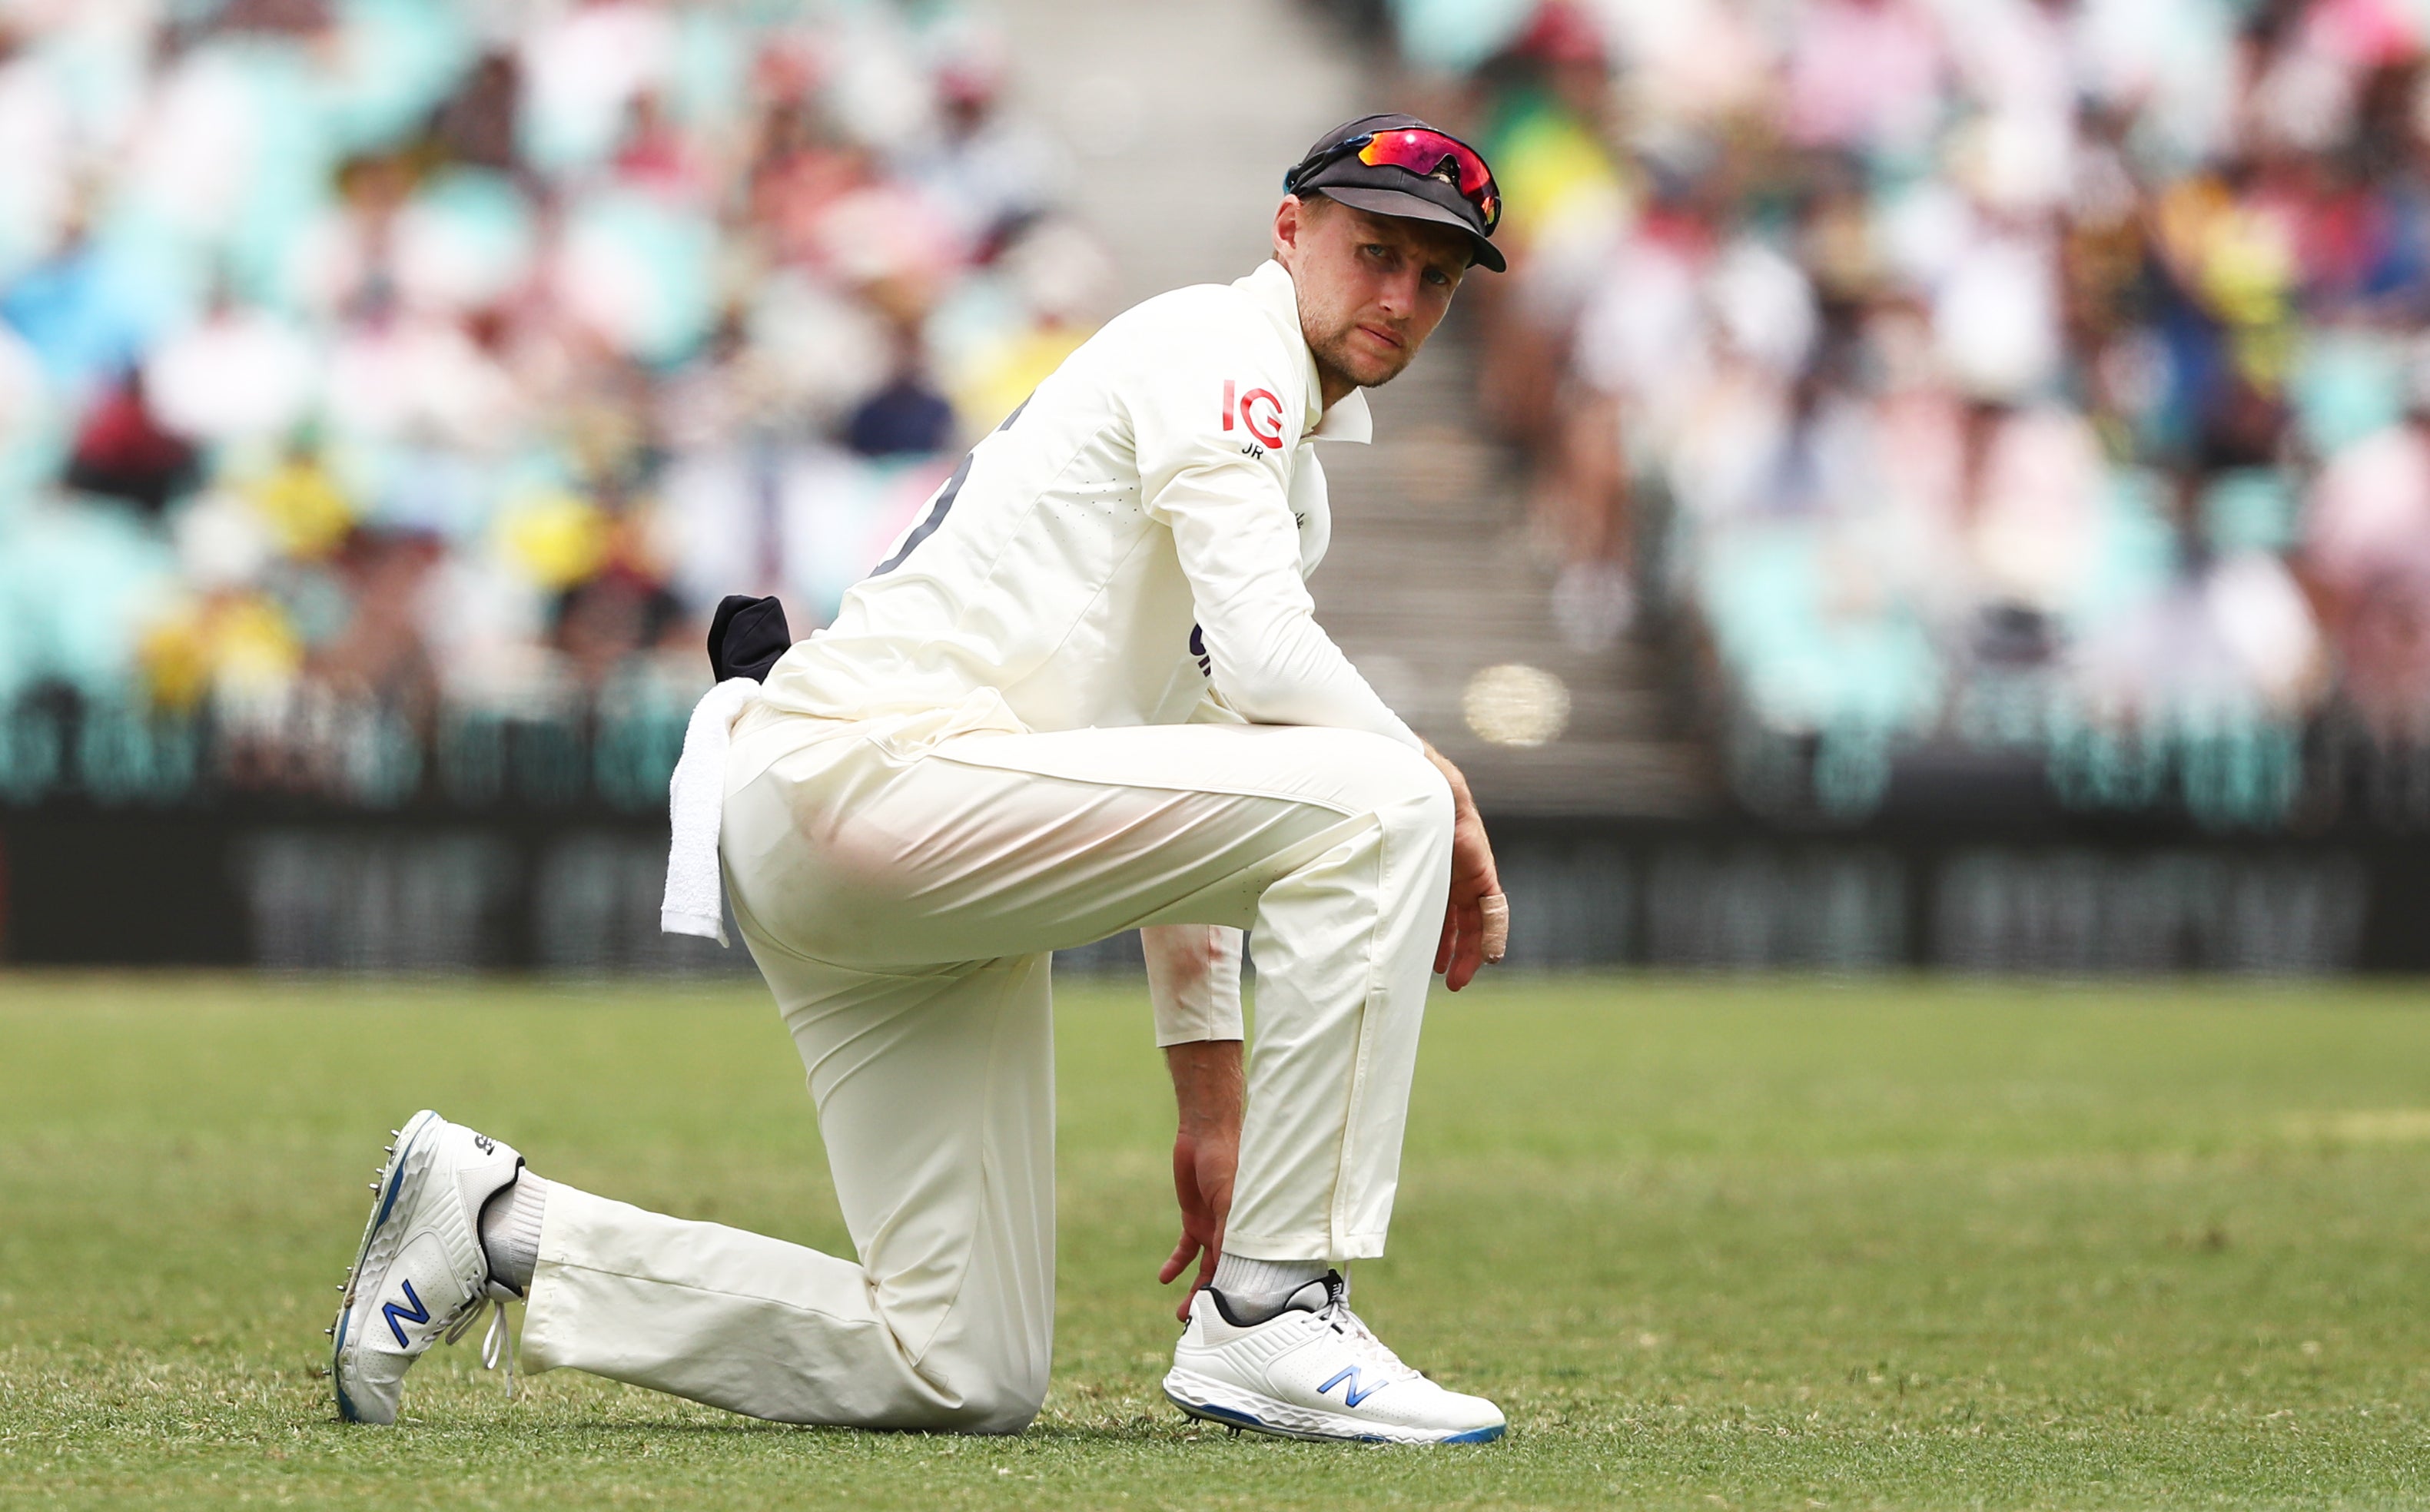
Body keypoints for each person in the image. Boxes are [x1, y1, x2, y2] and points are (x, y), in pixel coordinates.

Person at [329, 115, 1515, 1444]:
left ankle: (495, 1227)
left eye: (1435, 277)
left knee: (959, 1369)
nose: (1400, 297)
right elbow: (1266, 661)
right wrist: (1442, 789)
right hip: (873, 776)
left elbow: (1220, 737)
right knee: (1389, 797)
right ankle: (1273, 1314)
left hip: (881, 832)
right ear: (1289, 232)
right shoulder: (1218, 345)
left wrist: (1210, 1099)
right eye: (1375, 253)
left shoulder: (1290, 479)